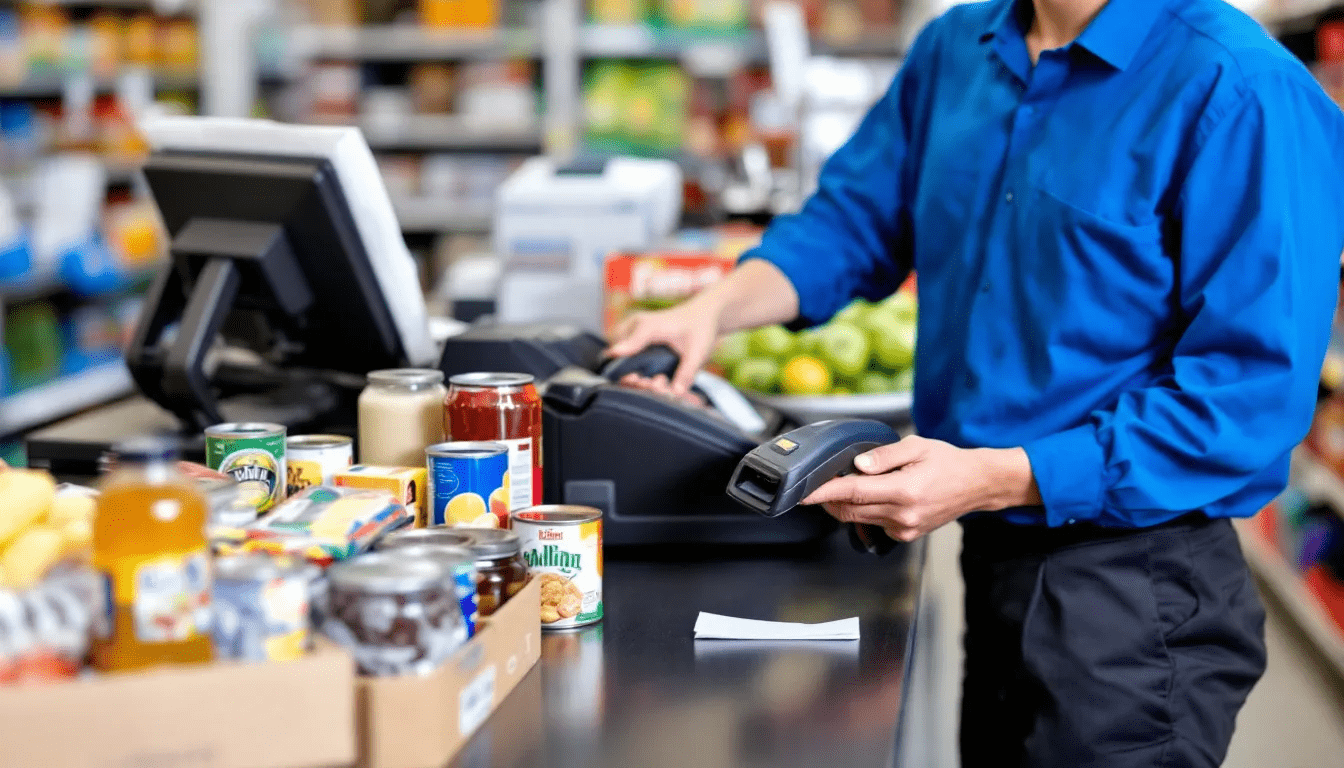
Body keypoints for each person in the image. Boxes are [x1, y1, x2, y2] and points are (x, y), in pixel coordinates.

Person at [609, 0, 1344, 764]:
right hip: (990, 552)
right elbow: (853, 222)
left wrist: (996, 475)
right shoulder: (959, 49)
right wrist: (712, 310)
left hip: (1137, 586)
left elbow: (1247, 396)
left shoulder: (1241, 87)